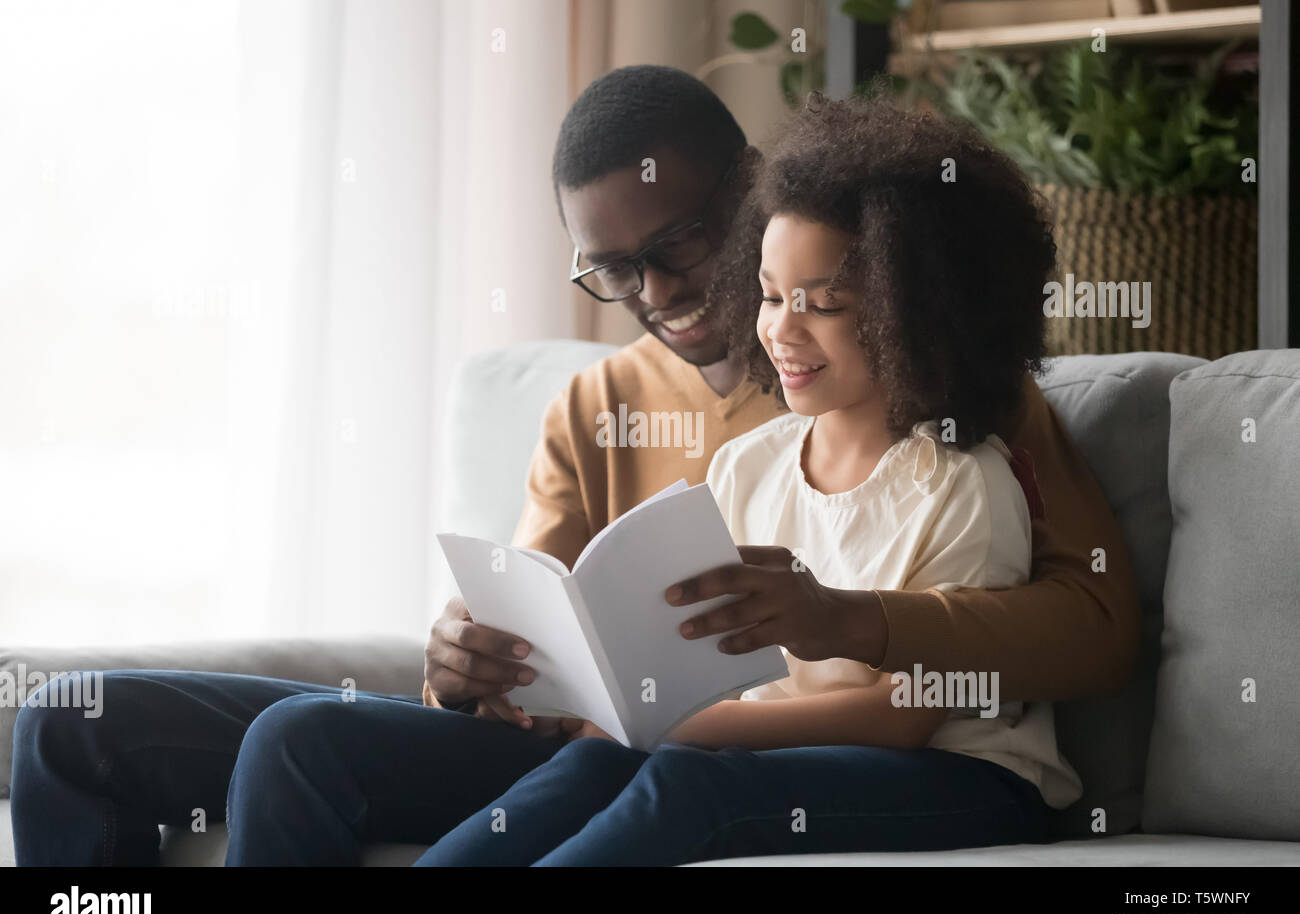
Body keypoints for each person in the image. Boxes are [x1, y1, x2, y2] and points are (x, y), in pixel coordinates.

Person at [10, 67, 1136, 867]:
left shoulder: (933, 396)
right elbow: (524, 662)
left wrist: (841, 625)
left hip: (692, 748)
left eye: (677, 247)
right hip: (580, 744)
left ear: (751, 194)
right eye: (613, 271)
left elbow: (1089, 622)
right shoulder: (592, 404)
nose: (658, 295)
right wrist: (463, 661)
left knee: (314, 746)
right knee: (67, 718)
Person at [411, 90, 1085, 865]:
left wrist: (681, 730)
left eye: (823, 304)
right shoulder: (747, 465)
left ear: (917, 313)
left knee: (682, 783)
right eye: (766, 296)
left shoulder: (963, 482)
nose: (780, 328)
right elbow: (720, 675)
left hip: (963, 778)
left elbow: (907, 715)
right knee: (599, 761)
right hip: (779, 758)